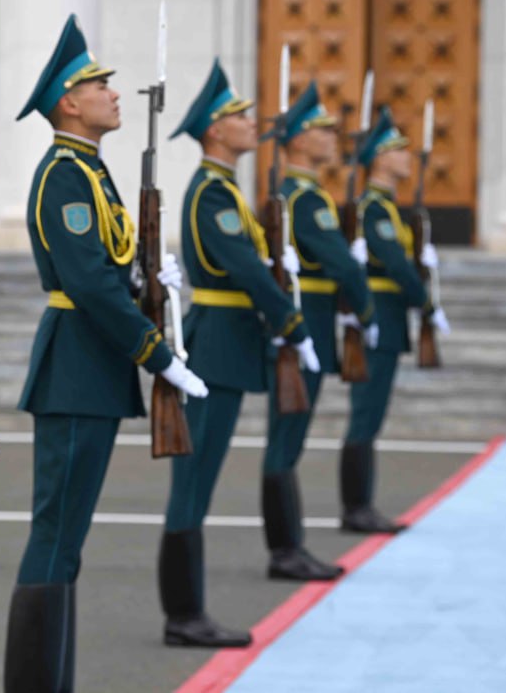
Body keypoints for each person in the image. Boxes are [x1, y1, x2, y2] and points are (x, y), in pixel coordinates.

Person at [3, 15, 208, 692]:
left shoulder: (89, 170)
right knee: (56, 537)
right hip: (75, 368)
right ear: (69, 102)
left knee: (68, 543)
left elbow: (111, 265)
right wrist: (158, 353)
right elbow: (89, 282)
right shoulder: (65, 175)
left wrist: (150, 281)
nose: (114, 94)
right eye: (99, 86)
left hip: (91, 367)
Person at [160, 60, 319, 647]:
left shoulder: (223, 189)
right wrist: (291, 322)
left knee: (199, 482)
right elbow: (247, 270)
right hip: (217, 345)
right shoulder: (213, 193)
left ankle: (187, 611)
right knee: (193, 483)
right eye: (239, 116)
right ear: (214, 130)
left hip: (227, 340)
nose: (252, 123)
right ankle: (184, 615)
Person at [266, 82, 377, 581]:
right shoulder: (307, 201)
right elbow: (342, 267)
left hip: (304, 321)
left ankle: (288, 546)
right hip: (304, 324)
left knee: (287, 438)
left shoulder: (299, 196)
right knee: (286, 440)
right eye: (322, 129)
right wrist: (366, 310)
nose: (333, 137)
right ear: (296, 140)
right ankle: (285, 549)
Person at [342, 106, 451, 533]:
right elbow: (394, 263)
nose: (409, 157)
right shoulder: (374, 209)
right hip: (379, 319)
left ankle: (360, 504)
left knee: (370, 417)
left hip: (387, 319)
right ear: (381, 159)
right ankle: (356, 507)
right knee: (365, 416)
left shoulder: (385, 207)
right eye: (399, 150)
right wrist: (426, 303)